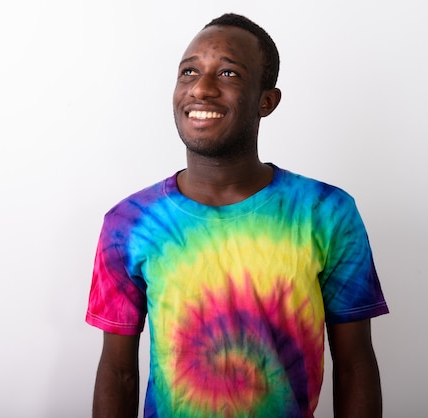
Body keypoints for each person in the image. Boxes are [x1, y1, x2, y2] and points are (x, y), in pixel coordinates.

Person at [85, 12, 388, 418]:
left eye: (228, 73)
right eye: (189, 72)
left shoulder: (326, 212)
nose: (202, 88)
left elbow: (354, 365)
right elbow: (118, 371)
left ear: (266, 101)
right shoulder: (130, 223)